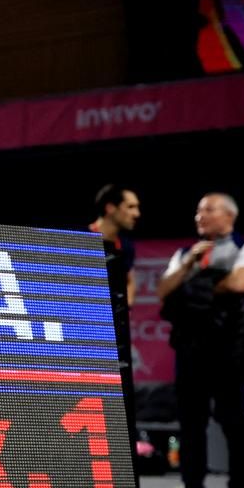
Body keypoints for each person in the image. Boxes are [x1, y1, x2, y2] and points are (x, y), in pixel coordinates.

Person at [154, 193, 244, 488]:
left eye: (208, 210)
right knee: (191, 423)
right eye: (198, 211)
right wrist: (190, 263)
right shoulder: (186, 254)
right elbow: (164, 290)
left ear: (229, 216)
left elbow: (241, 282)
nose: (199, 216)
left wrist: (193, 289)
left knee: (234, 422)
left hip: (230, 349)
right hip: (191, 348)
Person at [88, 185, 142, 453]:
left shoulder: (126, 247)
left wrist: (125, 304)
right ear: (111, 208)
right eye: (130, 207)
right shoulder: (81, 237)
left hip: (112, 333)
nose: (137, 213)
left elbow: (129, 280)